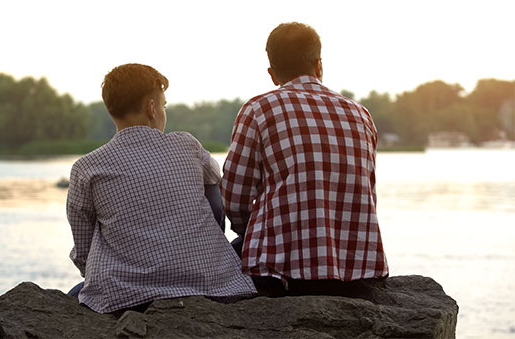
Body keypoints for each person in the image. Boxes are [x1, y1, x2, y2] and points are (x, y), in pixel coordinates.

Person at [66, 63, 256, 314]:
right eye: (163, 105)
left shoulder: (86, 167)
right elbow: (216, 181)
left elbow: (83, 250)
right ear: (151, 108)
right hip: (210, 282)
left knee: (75, 294)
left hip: (125, 294)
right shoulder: (187, 145)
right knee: (209, 184)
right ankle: (205, 251)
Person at [221, 22, 389, 297]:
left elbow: (234, 197)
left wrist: (248, 231)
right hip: (358, 271)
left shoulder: (258, 109)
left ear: (273, 74)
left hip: (280, 272)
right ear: (319, 66)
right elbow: (367, 192)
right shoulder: (361, 114)